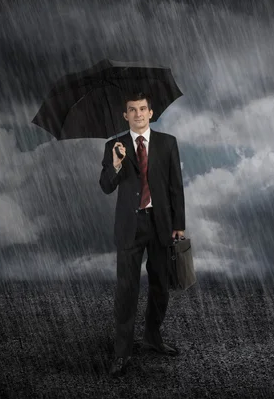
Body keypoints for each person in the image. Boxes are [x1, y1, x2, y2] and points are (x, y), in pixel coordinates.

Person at [99, 92, 185, 378]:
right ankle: (122, 352)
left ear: (151, 112)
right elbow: (106, 186)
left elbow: (175, 186)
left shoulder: (167, 143)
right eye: (132, 110)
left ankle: (152, 337)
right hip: (129, 226)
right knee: (127, 291)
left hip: (160, 224)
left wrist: (179, 223)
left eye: (142, 109)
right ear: (125, 116)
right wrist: (116, 164)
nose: (137, 114)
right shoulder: (116, 145)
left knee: (161, 286)